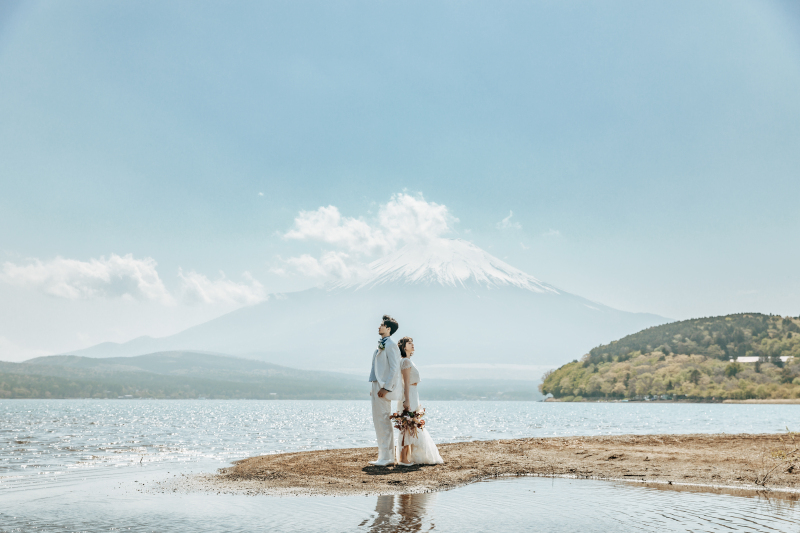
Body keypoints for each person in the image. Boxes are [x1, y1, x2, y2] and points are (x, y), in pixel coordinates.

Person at [396, 336, 444, 466]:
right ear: (403, 347)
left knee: (412, 425)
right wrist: (407, 400)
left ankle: (407, 457)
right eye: (409, 343)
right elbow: (405, 382)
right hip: (409, 394)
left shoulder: (409, 361)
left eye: (412, 342)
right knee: (407, 425)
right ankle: (403, 458)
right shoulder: (405, 361)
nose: (412, 344)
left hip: (413, 394)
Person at [368, 314, 402, 466]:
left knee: (383, 420)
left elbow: (394, 368)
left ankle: (388, 458)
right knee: (378, 421)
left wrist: (386, 388)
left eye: (382, 325)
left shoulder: (391, 345)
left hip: (383, 388)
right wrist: (374, 385)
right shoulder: (382, 344)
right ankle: (382, 456)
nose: (379, 327)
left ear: (388, 329)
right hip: (376, 386)